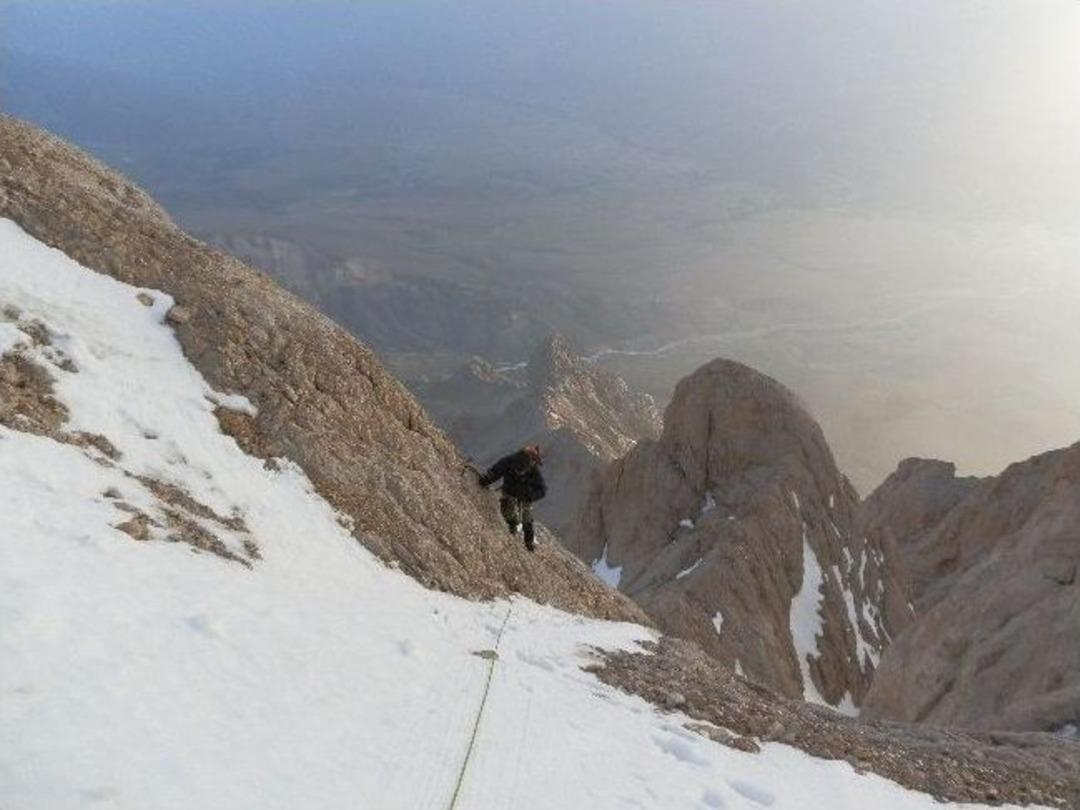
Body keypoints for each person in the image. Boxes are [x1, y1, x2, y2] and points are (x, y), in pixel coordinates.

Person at [478, 444, 546, 551]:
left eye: (522, 471)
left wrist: (530, 496)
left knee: (527, 517)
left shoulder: (534, 472)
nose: (519, 472)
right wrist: (487, 479)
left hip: (525, 495)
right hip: (509, 491)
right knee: (506, 509)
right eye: (518, 470)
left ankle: (529, 541)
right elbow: (497, 471)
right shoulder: (509, 461)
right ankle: (513, 524)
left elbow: (542, 490)